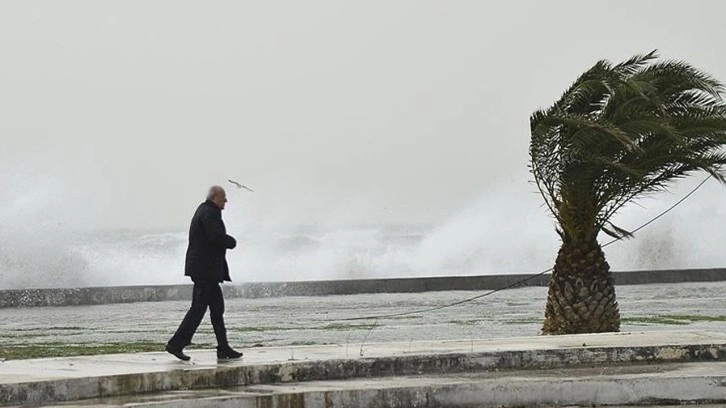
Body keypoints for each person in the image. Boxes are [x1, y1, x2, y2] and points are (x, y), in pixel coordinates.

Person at [165, 185, 243, 361]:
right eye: (223, 197)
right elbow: (215, 237)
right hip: (205, 271)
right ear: (215, 197)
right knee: (198, 309)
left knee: (216, 309)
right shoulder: (210, 213)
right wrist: (230, 241)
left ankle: (223, 348)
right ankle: (176, 344)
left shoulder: (205, 210)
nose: (226, 201)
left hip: (205, 270)